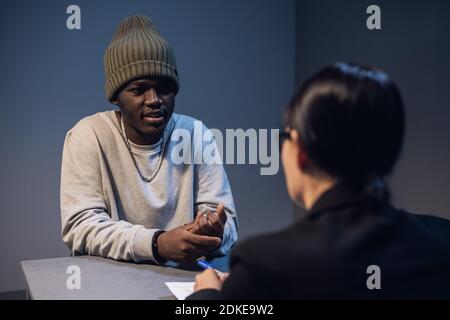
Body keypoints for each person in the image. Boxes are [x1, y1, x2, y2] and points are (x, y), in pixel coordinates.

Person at [189, 62, 450, 299]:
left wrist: (208, 294)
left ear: (301, 152)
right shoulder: (439, 243)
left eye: (286, 137)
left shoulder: (265, 263)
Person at [60, 15, 237, 265]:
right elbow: (81, 226)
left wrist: (214, 232)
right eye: (139, 89)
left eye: (164, 88)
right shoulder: (88, 135)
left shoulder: (197, 134)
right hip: (106, 281)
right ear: (115, 97)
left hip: (182, 281)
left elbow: (225, 220)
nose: (154, 99)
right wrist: (157, 244)